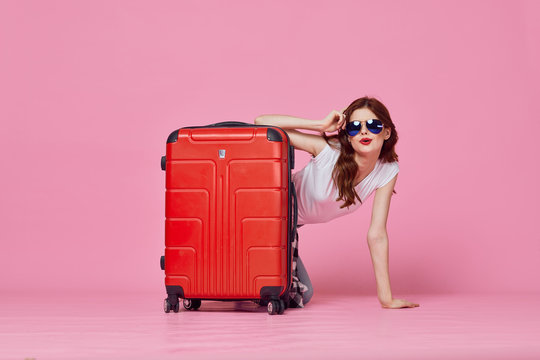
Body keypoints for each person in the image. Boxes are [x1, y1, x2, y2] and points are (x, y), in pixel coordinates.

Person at [254, 96, 419, 309]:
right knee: (297, 293)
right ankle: (240, 281)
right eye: (354, 127)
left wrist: (386, 299)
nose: (364, 132)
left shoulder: (387, 170)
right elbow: (261, 122)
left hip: (289, 225)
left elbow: (377, 234)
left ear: (386, 132)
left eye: (373, 125)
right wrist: (319, 125)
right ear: (347, 136)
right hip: (267, 212)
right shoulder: (328, 151)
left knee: (298, 294)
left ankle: (246, 281)